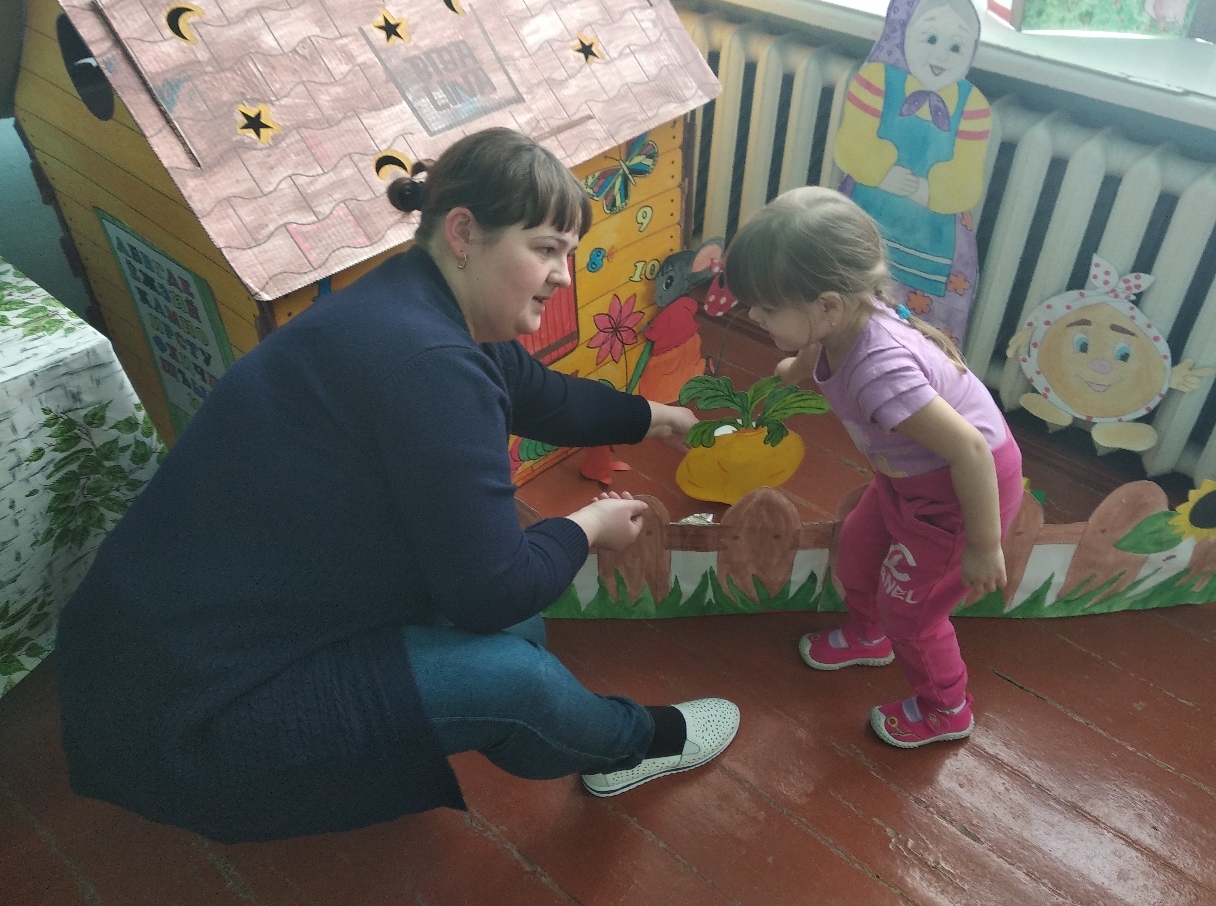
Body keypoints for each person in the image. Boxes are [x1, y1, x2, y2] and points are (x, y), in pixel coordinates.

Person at [53, 127, 740, 843]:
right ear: (464, 233)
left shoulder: (414, 299)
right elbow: (493, 591)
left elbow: (544, 396)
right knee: (516, 678)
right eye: (544, 249)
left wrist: (659, 417)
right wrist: (587, 528)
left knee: (519, 632)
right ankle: (635, 744)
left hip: (192, 634)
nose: (562, 276)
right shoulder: (431, 363)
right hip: (196, 708)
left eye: (566, 253)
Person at [724, 187, 1023, 748]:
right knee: (857, 554)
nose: (753, 316)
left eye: (765, 308)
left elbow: (971, 452)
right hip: (907, 482)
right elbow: (815, 350)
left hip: (960, 496)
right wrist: (793, 369)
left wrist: (984, 546)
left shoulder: (880, 372)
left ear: (827, 306)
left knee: (915, 616)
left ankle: (947, 708)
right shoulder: (841, 319)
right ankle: (869, 635)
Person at [833, 0, 989, 344]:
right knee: (851, 298)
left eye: (956, 46)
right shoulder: (874, 81)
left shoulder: (974, 106)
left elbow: (967, 174)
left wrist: (929, 190)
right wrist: (881, 173)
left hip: (934, 239)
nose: (941, 56)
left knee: (920, 329)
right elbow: (852, 143)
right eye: (931, 38)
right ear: (903, 32)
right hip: (867, 217)